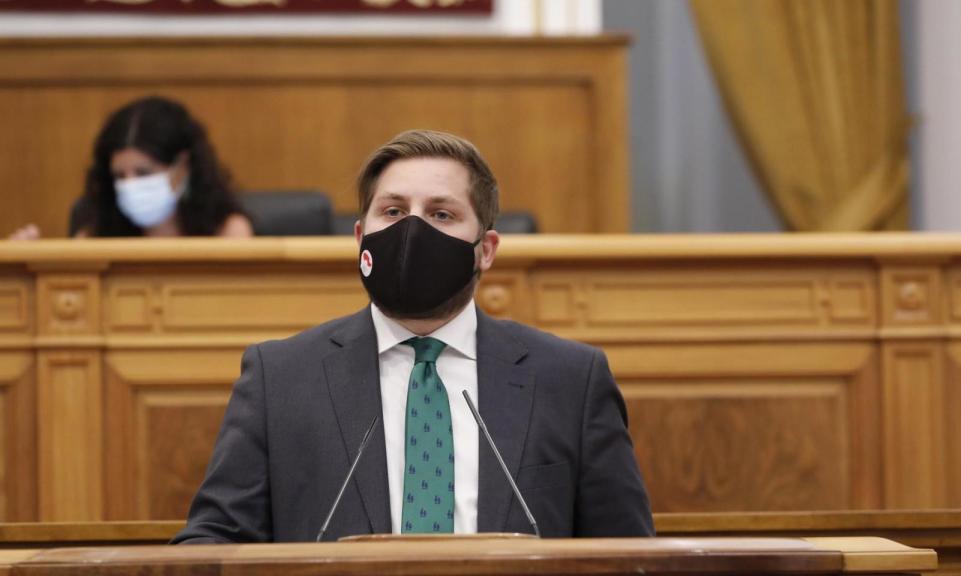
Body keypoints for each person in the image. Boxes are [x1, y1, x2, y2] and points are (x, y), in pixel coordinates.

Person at [173, 130, 652, 543]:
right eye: (394, 211)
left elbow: (630, 555)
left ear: (485, 250)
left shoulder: (569, 379)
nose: (412, 230)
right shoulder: (279, 379)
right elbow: (212, 543)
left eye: (441, 214)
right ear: (360, 238)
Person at [8, 96, 251, 239]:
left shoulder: (229, 233)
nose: (130, 185)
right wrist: (23, 268)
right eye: (119, 176)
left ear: (183, 167)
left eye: (143, 173)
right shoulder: (94, 238)